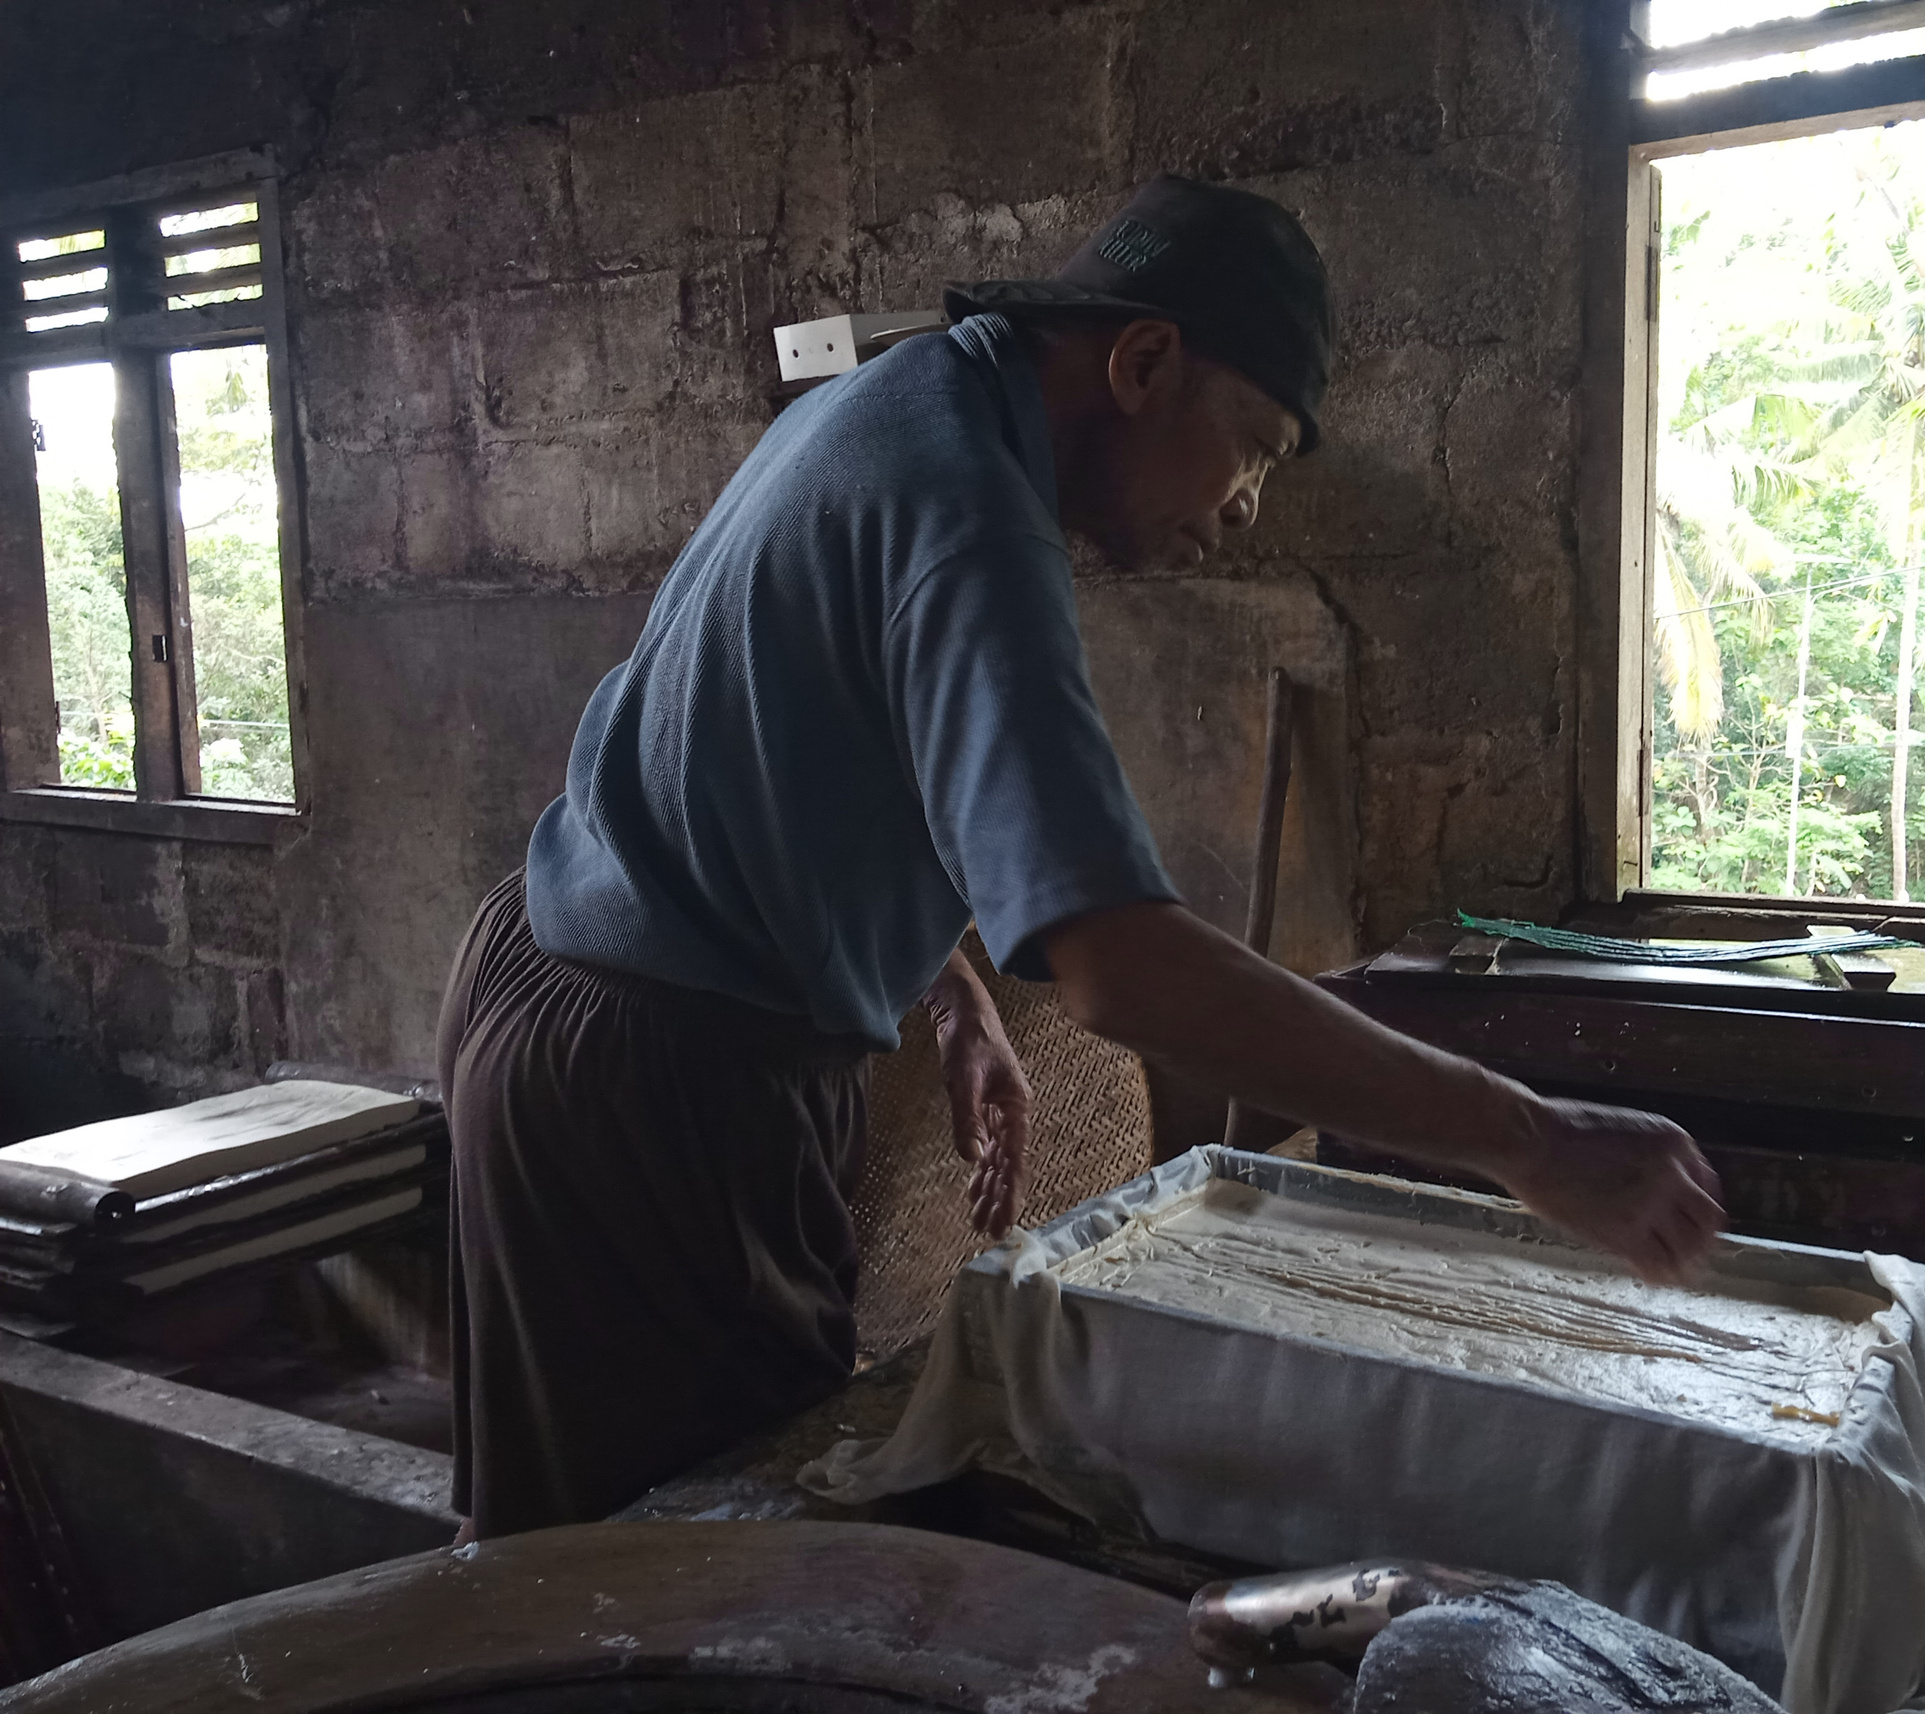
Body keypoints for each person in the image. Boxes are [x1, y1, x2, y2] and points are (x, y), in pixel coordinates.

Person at [437, 174, 1723, 1542]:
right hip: (657, 1072)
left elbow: (778, 740)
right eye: (1254, 444)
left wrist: (949, 987)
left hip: (567, 977)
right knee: (685, 1578)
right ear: (1143, 360)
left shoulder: (895, 404)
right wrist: (1525, 1138)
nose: (1244, 508)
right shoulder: (968, 509)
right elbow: (1126, 967)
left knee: (587, 1538)